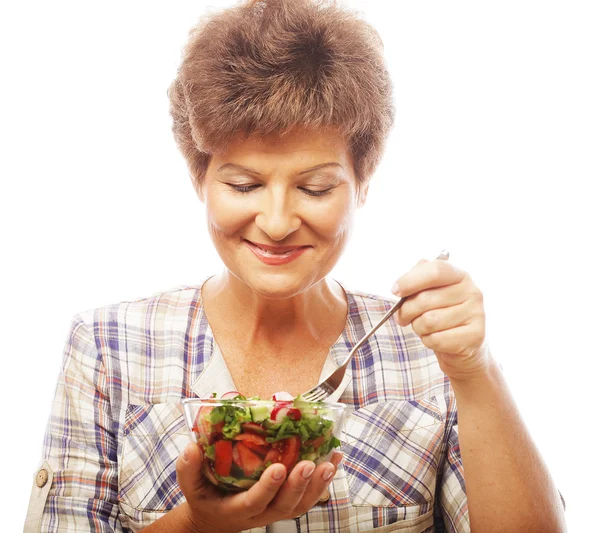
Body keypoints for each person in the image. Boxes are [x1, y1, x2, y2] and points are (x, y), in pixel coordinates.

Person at [24, 0, 567, 532]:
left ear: (362, 185)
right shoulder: (106, 347)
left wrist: (476, 370)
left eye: (315, 186)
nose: (279, 221)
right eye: (244, 185)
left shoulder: (428, 352)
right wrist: (195, 524)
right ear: (200, 180)